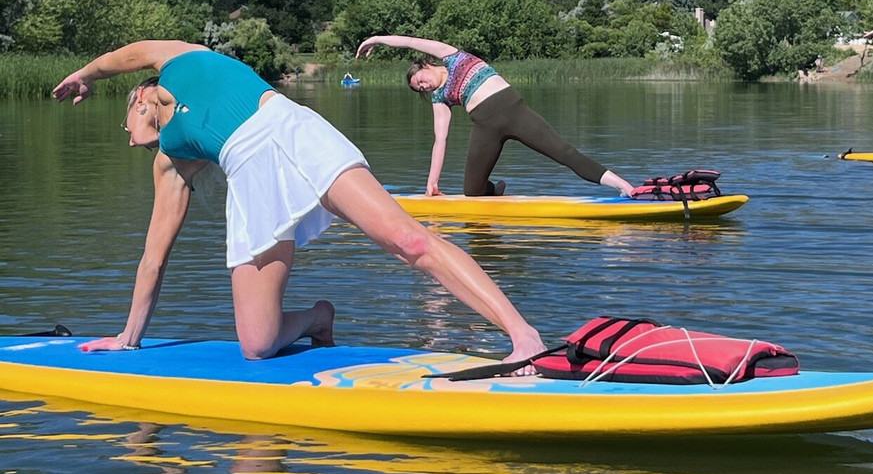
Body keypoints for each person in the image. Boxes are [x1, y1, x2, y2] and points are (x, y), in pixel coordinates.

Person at [52, 40, 546, 365]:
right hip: (249, 176)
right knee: (257, 343)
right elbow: (153, 255)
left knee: (409, 240)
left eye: (125, 127)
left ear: (139, 99)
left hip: (292, 133)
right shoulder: (171, 161)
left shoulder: (182, 61)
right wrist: (128, 337)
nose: (128, 140)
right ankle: (316, 317)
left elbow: (129, 53)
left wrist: (86, 74)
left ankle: (523, 337)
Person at [356, 35, 634, 198]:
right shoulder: (440, 99)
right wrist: (432, 183)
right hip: (485, 126)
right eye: (420, 89)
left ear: (427, 65)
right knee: (471, 191)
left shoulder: (452, 56)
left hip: (514, 110)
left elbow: (409, 41)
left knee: (564, 152)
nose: (424, 86)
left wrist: (376, 40)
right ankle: (494, 193)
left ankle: (624, 186)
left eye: (421, 79)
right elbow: (439, 141)